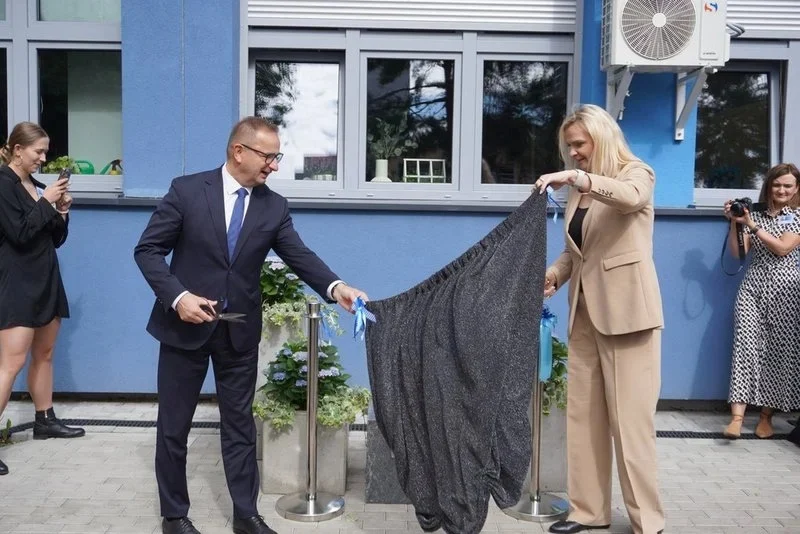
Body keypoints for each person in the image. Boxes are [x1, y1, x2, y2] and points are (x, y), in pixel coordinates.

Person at [134, 116, 368, 534]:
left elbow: (299, 255)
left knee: (240, 427)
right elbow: (148, 250)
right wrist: (179, 297)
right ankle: (174, 516)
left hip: (238, 331)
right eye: (268, 156)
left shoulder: (273, 206)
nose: (274, 165)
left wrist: (337, 288)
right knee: (174, 427)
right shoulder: (187, 191)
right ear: (238, 151)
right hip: (184, 327)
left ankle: (246, 515)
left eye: (277, 157)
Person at [534, 104, 664, 534]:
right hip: (585, 315)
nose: (573, 153)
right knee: (584, 420)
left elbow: (631, 198)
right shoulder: (580, 191)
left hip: (629, 317)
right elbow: (577, 251)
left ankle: (648, 522)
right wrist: (554, 276)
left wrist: (577, 177)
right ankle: (588, 512)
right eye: (568, 147)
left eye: (579, 144)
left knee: (631, 425)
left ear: (601, 138)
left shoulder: (636, 173)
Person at [0, 122, 86, 476]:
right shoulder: (3, 184)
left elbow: (55, 238)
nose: (43, 158)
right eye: (38, 151)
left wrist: (61, 210)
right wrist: (47, 201)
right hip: (18, 282)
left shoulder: (34, 186)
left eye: (46, 152)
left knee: (45, 353)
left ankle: (44, 419)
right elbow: (20, 234)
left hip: (46, 278)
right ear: (18, 149)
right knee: (10, 363)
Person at [722, 163, 800, 439]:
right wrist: (735, 223)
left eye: (787, 185)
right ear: (768, 186)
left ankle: (766, 416)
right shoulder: (754, 213)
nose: (782, 190)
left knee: (777, 351)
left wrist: (752, 226)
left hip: (785, 289)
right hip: (752, 286)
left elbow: (783, 248)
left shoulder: (797, 215)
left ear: (796, 189)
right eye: (777, 184)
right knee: (744, 346)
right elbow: (738, 254)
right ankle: (737, 418)